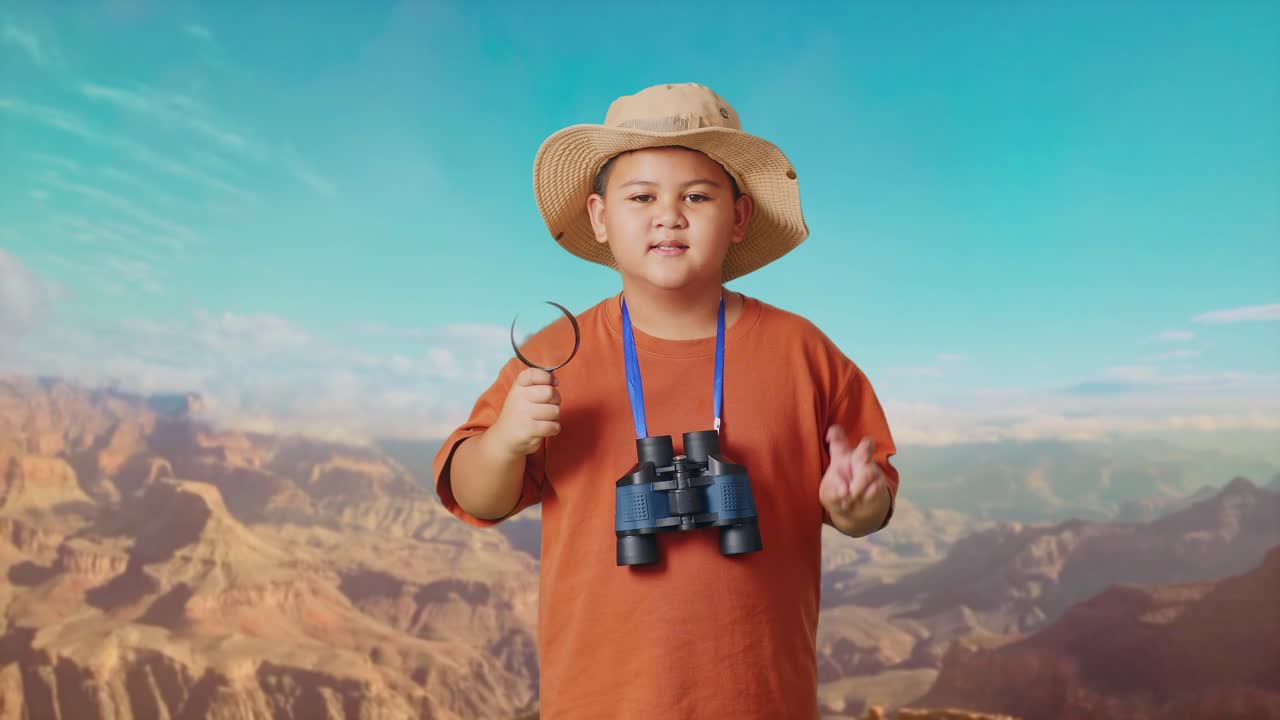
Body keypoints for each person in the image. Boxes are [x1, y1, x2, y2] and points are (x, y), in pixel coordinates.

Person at [432, 82, 900, 719]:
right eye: (642, 196)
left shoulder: (802, 352)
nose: (669, 215)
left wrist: (858, 504)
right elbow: (475, 495)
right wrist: (505, 441)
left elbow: (868, 509)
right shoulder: (555, 351)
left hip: (759, 698)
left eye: (698, 196)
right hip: (600, 699)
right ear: (600, 218)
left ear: (739, 218)